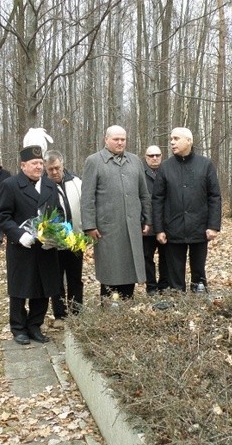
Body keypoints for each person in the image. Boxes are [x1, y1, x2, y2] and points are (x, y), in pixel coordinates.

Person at [0, 145, 62, 345]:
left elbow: (57, 212)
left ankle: (35, 326)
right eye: (34, 163)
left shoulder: (50, 185)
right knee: (20, 288)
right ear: (23, 165)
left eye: (41, 163)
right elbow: (2, 216)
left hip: (45, 247)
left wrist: (56, 232)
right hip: (22, 247)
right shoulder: (10, 185)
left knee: (43, 287)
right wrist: (18, 234)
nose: (38, 167)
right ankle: (18, 328)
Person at [81, 125, 151, 300]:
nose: (120, 143)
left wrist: (148, 220)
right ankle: (109, 309)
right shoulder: (94, 161)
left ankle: (127, 304)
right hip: (107, 228)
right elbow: (87, 197)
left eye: (123, 139)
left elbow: (144, 194)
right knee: (110, 269)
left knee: (130, 267)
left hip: (132, 226)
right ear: (106, 140)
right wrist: (89, 225)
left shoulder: (135, 161)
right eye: (116, 139)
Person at [152, 127, 222, 292]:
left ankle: (199, 297)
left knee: (198, 268)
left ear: (189, 141)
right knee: (175, 271)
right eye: (171, 139)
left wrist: (213, 226)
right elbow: (157, 200)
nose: (172, 142)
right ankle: (178, 300)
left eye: (176, 139)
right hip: (173, 228)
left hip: (199, 227)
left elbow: (214, 197)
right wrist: (159, 229)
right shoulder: (165, 167)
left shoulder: (205, 165)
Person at [44, 150, 84, 327]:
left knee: (75, 277)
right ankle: (59, 314)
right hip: (54, 241)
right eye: (50, 169)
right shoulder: (43, 186)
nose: (54, 172)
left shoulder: (76, 182)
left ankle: (76, 311)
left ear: (63, 164)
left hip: (76, 239)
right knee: (56, 278)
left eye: (57, 168)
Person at [142, 145, 168, 294]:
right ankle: (151, 287)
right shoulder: (140, 173)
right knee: (147, 258)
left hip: (165, 224)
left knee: (166, 257)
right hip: (148, 224)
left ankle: (164, 286)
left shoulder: (167, 171)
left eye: (157, 155)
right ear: (146, 157)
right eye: (151, 155)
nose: (154, 158)